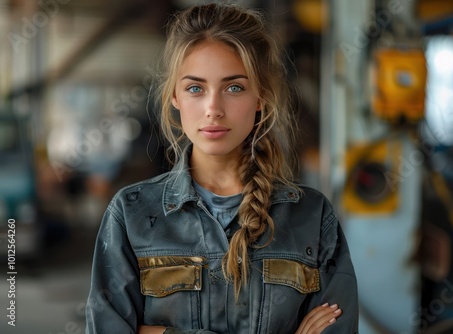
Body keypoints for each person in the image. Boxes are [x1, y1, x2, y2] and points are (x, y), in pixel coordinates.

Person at [85, 3, 358, 334]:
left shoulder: (311, 217)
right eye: (196, 88)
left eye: (234, 87)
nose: (213, 109)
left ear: (261, 97)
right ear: (174, 96)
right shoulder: (131, 215)